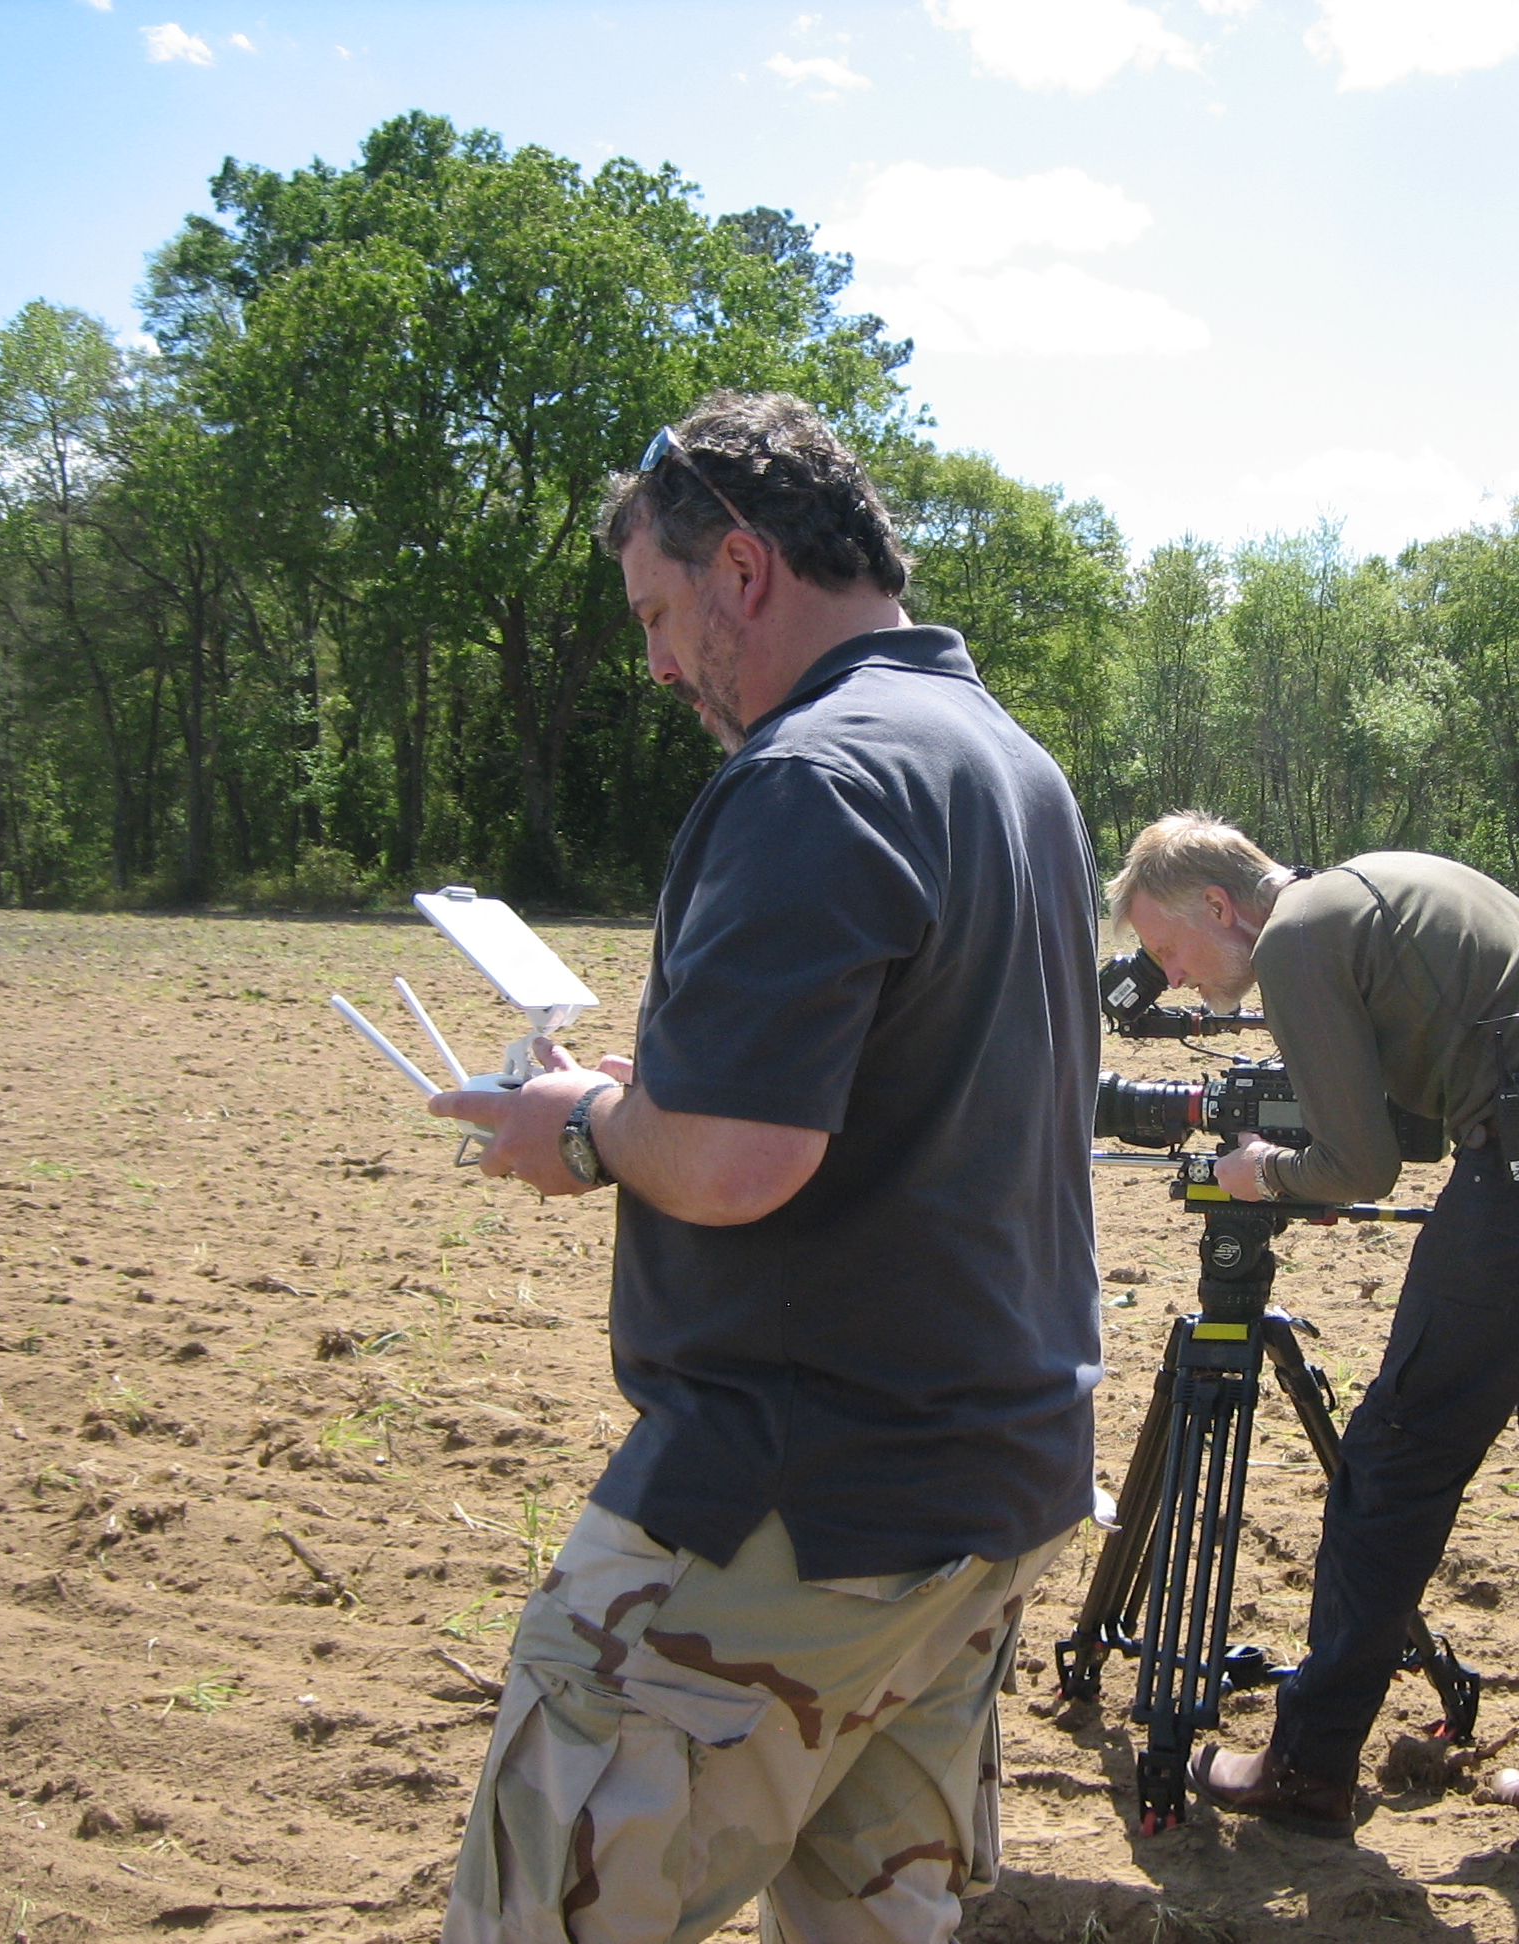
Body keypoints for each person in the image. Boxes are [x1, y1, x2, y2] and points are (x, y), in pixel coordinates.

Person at [430, 393, 1102, 1944]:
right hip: (982, 1494)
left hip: (793, 1511)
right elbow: (886, 1090)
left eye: (659, 615)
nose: (658, 664)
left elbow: (733, 1160)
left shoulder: (812, 774)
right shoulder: (1011, 765)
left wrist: (587, 1131)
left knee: (536, 1915)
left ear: (743, 569)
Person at [1106, 812, 1519, 1847]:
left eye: (1174, 951)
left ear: (1221, 908)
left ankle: (1308, 1766)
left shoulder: (1300, 935)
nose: (1178, 981)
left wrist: (1259, 1172)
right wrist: (1319, 1157)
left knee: (1393, 1462)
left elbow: (1363, 1168)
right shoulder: (1383, 879)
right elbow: (1422, 1090)